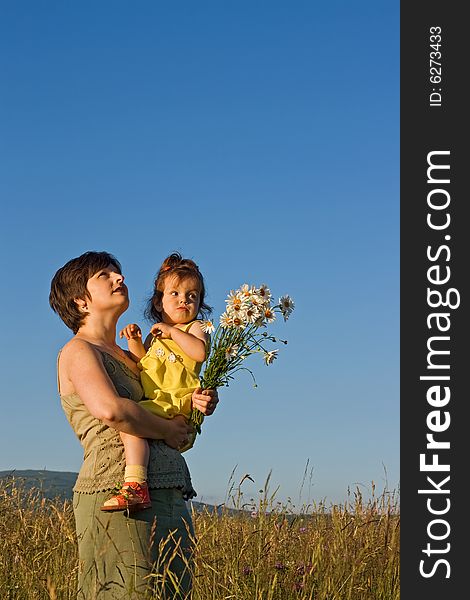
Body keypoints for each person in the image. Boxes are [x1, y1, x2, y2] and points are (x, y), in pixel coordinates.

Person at [49, 251, 219, 600]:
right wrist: (167, 429)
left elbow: (168, 405)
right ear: (80, 300)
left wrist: (194, 403)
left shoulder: (134, 355)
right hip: (118, 492)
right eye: (105, 276)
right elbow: (112, 410)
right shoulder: (78, 350)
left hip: (169, 490)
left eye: (118, 272)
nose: (119, 278)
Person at [101, 252, 212, 512]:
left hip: (176, 402)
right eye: (175, 294)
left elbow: (199, 352)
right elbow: (145, 366)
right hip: (158, 400)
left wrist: (173, 332)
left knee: (131, 425)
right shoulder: (156, 336)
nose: (184, 300)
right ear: (159, 303)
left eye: (192, 296)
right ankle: (142, 481)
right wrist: (135, 342)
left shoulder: (194, 328)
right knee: (135, 424)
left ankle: (135, 485)